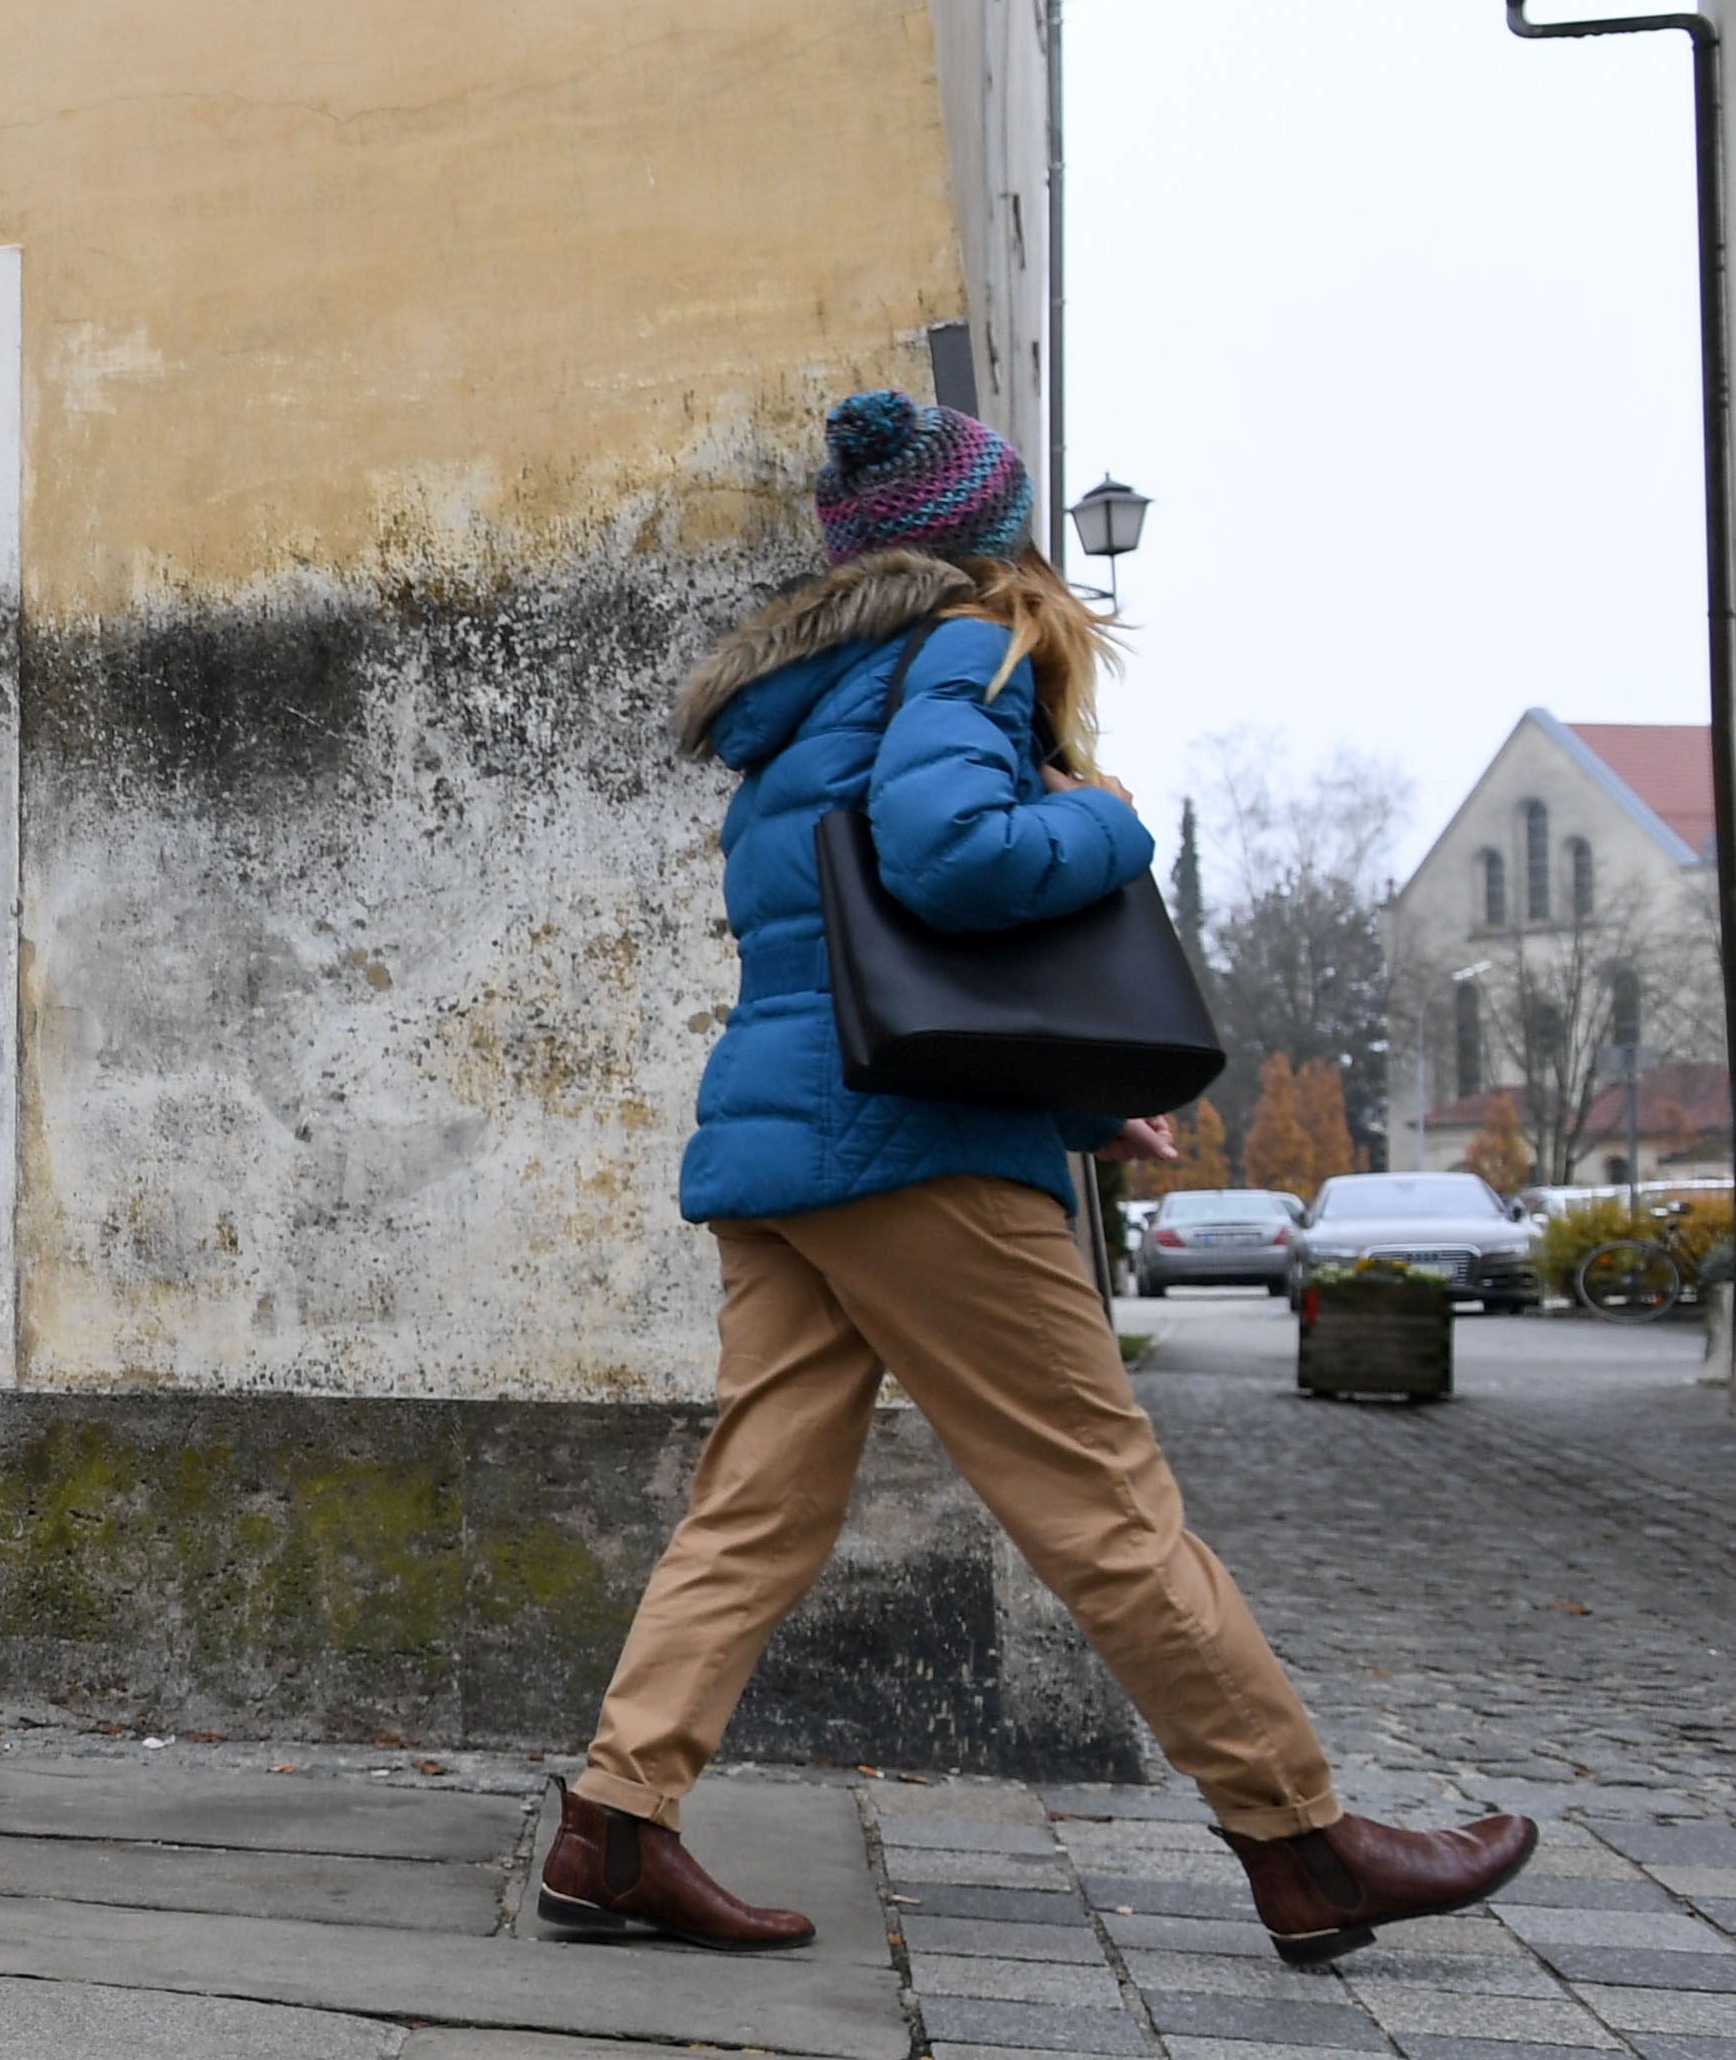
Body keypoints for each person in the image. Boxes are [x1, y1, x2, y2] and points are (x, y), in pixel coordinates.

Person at [541, 392, 1532, 1965]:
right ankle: (1302, 1840)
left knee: (754, 1506)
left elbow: (849, 963)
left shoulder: (801, 705)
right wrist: (1109, 824)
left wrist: (1067, 1104)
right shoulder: (961, 644)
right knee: (1101, 1501)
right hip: (913, 1154)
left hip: (787, 1143)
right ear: (988, 531)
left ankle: (612, 1825)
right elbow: (950, 858)